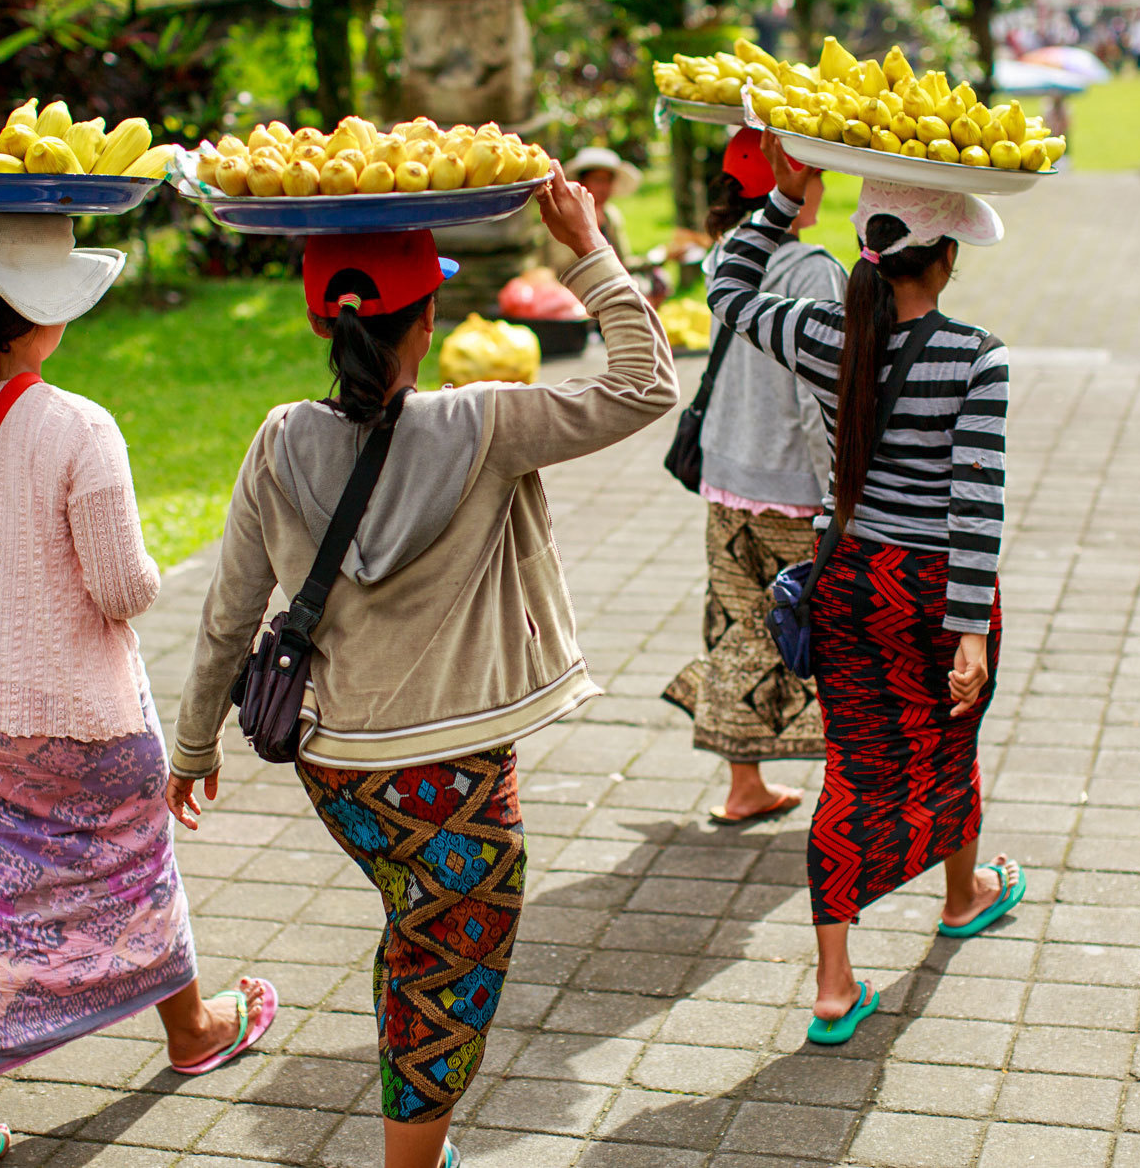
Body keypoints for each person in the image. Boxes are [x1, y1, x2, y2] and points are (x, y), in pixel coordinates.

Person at [169, 171, 676, 1168]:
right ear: (431, 313)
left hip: (340, 775)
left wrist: (190, 748)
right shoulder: (486, 424)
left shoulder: (280, 439)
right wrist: (585, 249)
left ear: (323, 322)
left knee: (414, 932)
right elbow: (645, 384)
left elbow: (229, 612)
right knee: (441, 969)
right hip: (456, 785)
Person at [0, 216, 271, 1168]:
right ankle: (193, 1029)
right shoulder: (81, 426)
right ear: (40, 318)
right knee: (133, 867)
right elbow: (122, 587)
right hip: (79, 714)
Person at [707, 131, 1021, 1047]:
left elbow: (727, 292)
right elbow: (977, 500)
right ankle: (963, 894)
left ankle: (835, 984)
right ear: (949, 258)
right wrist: (968, 630)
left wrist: (780, 197)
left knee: (854, 770)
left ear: (868, 251)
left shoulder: (822, 332)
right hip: (935, 591)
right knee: (949, 741)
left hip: (850, 584)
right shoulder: (978, 358)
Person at [664, 129, 837, 824]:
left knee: (739, 625)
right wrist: (839, 494)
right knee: (826, 632)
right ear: (790, 184)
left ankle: (745, 784)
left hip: (727, 475)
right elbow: (816, 394)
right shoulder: (812, 270)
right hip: (792, 487)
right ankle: (854, 789)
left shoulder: (722, 258)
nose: (822, 186)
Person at [544, 146, 640, 274]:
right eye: (598, 180)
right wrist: (589, 232)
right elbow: (560, 268)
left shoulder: (610, 215)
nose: (603, 188)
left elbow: (623, 262)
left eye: (608, 181)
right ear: (582, 182)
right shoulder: (564, 216)